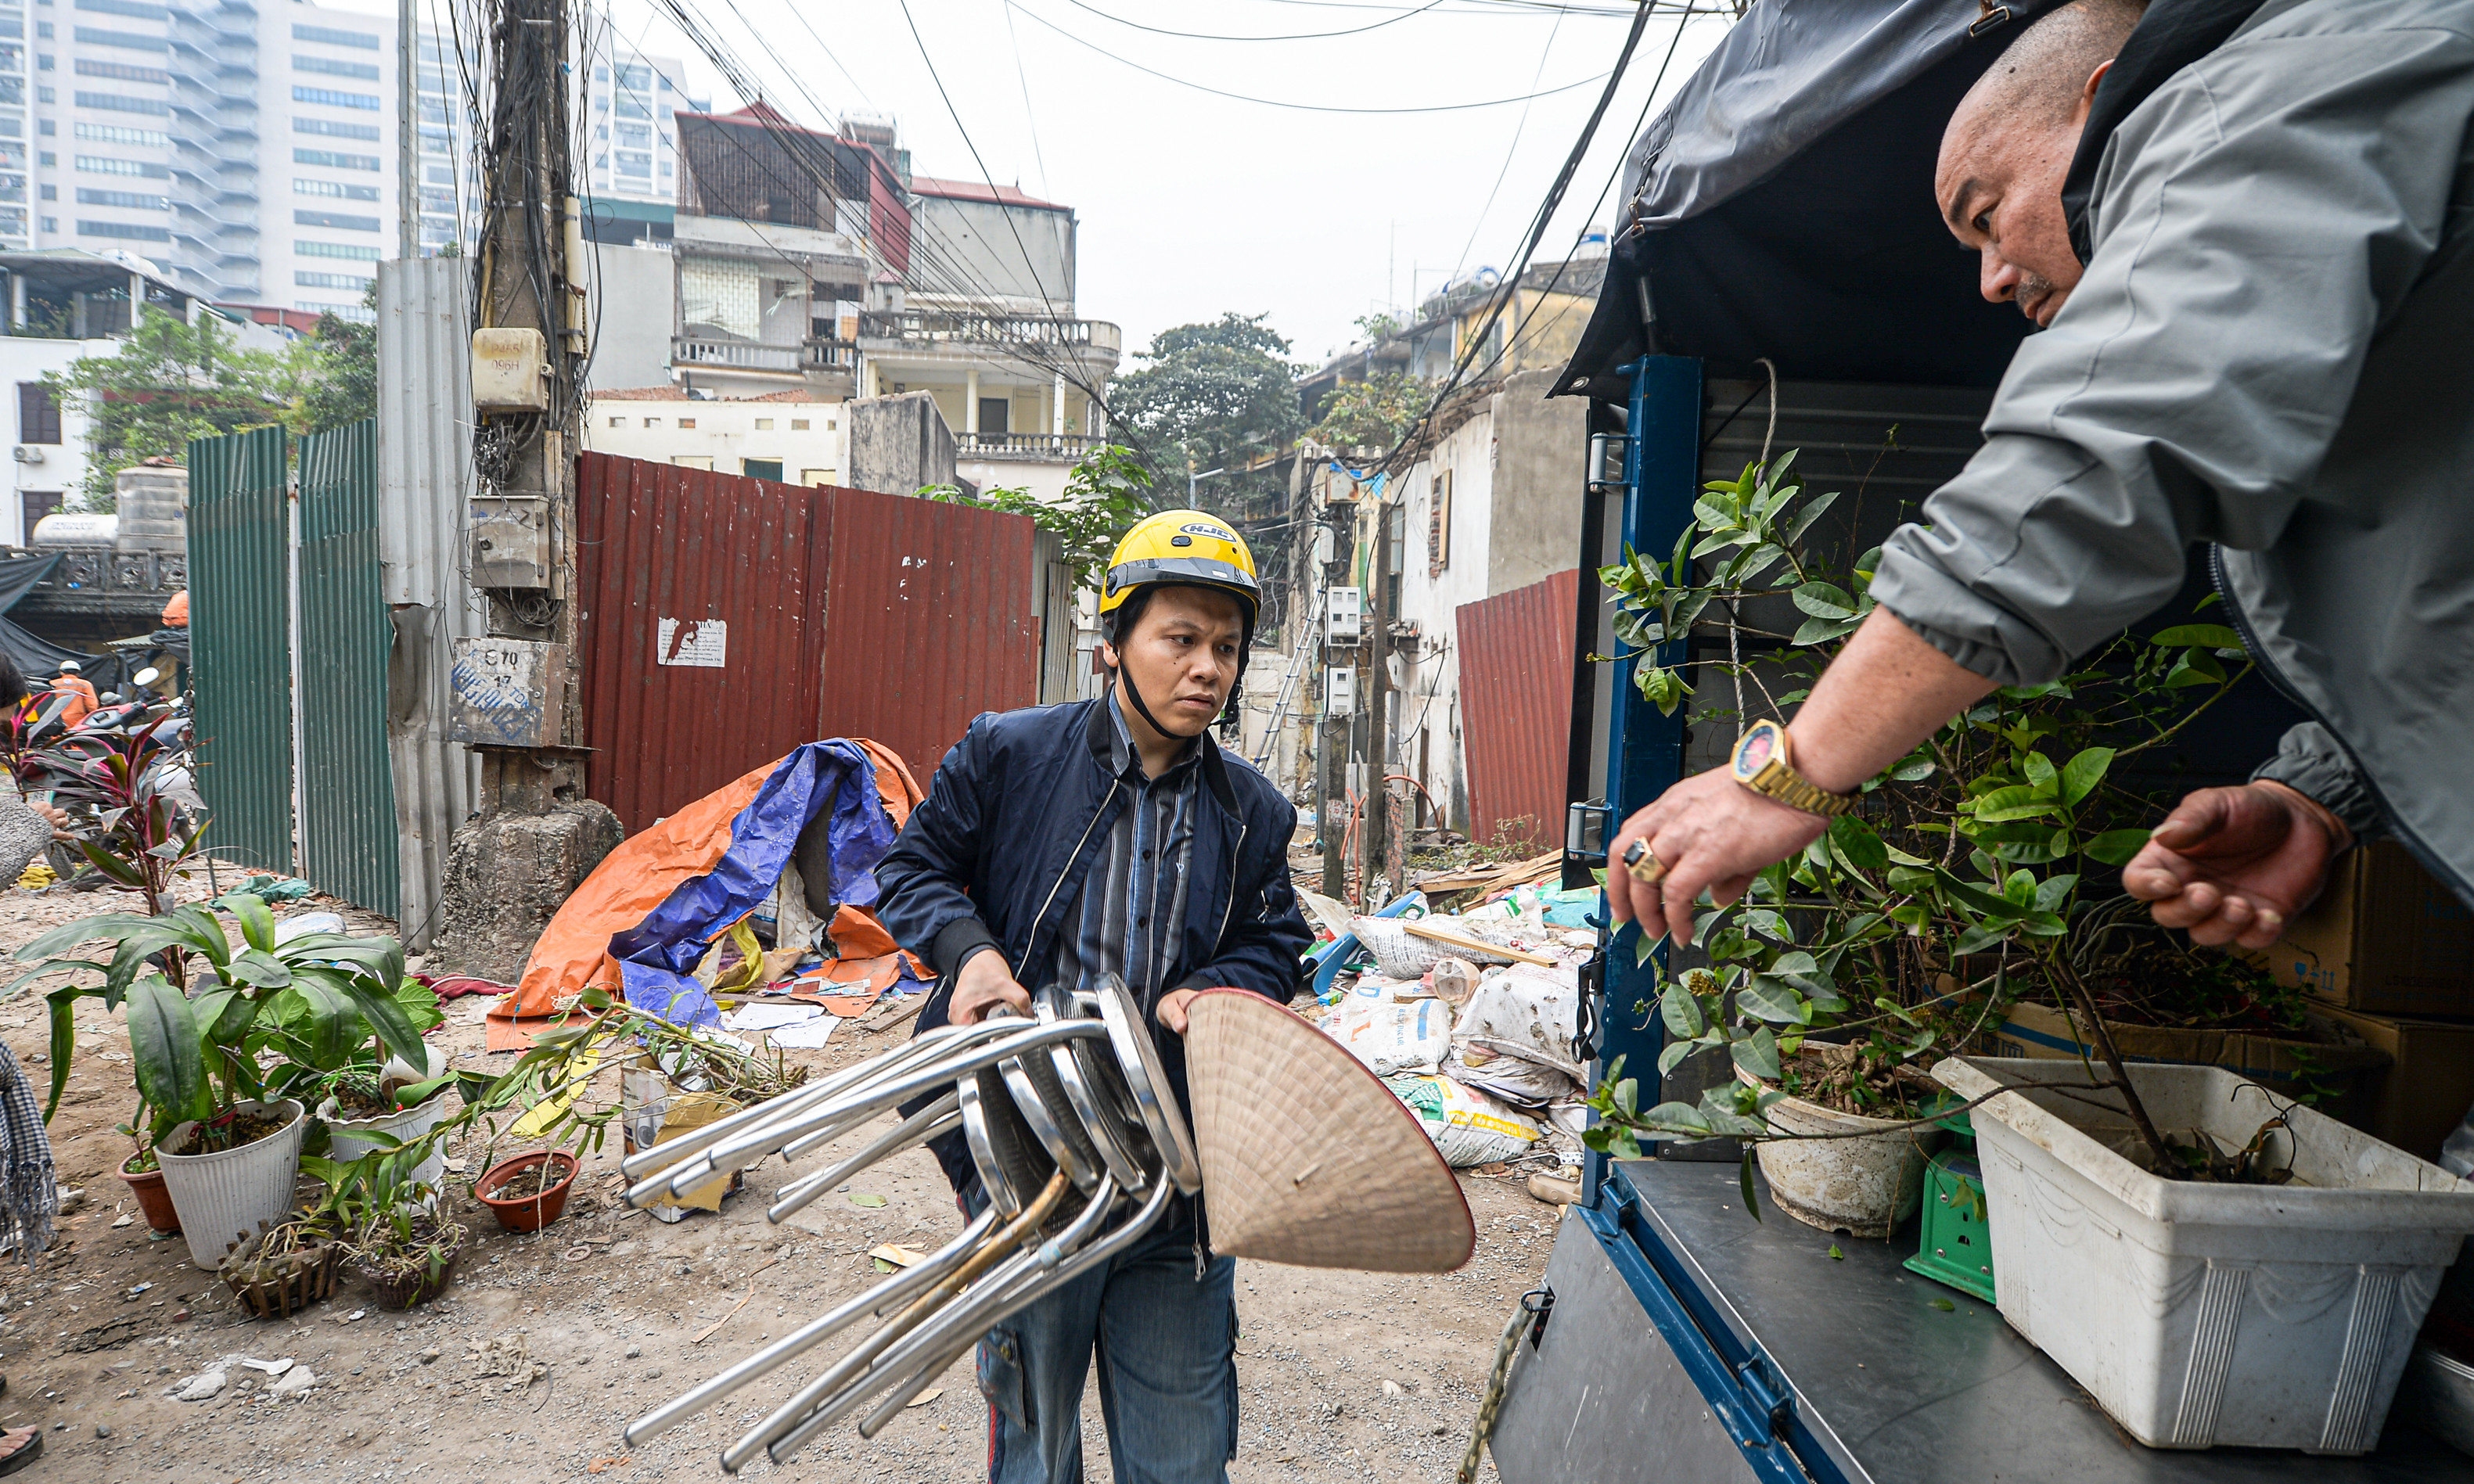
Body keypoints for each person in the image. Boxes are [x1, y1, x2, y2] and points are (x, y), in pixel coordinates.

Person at [1608, 0, 2474, 1030]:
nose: (1988, 279)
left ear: (2103, 99)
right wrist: (2325, 795)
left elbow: (2098, 455)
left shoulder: (2269, 95)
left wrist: (1781, 780)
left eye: (1986, 212)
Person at [873, 510, 1312, 1484]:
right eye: (1181, 638)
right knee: (1036, 1447)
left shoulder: (1253, 813)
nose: (1208, 669)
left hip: (1173, 1175)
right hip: (1032, 1166)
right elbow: (912, 867)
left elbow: (1279, 939)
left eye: (1228, 648)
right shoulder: (1011, 754)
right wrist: (971, 953)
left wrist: (1217, 986)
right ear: (1114, 644)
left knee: (1185, 1459)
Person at [46, 663, 96, 730]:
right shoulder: (85, 684)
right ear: (78, 673)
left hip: (55, 720)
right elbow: (92, 706)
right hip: (76, 720)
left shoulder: (51, 684)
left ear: (61, 672)